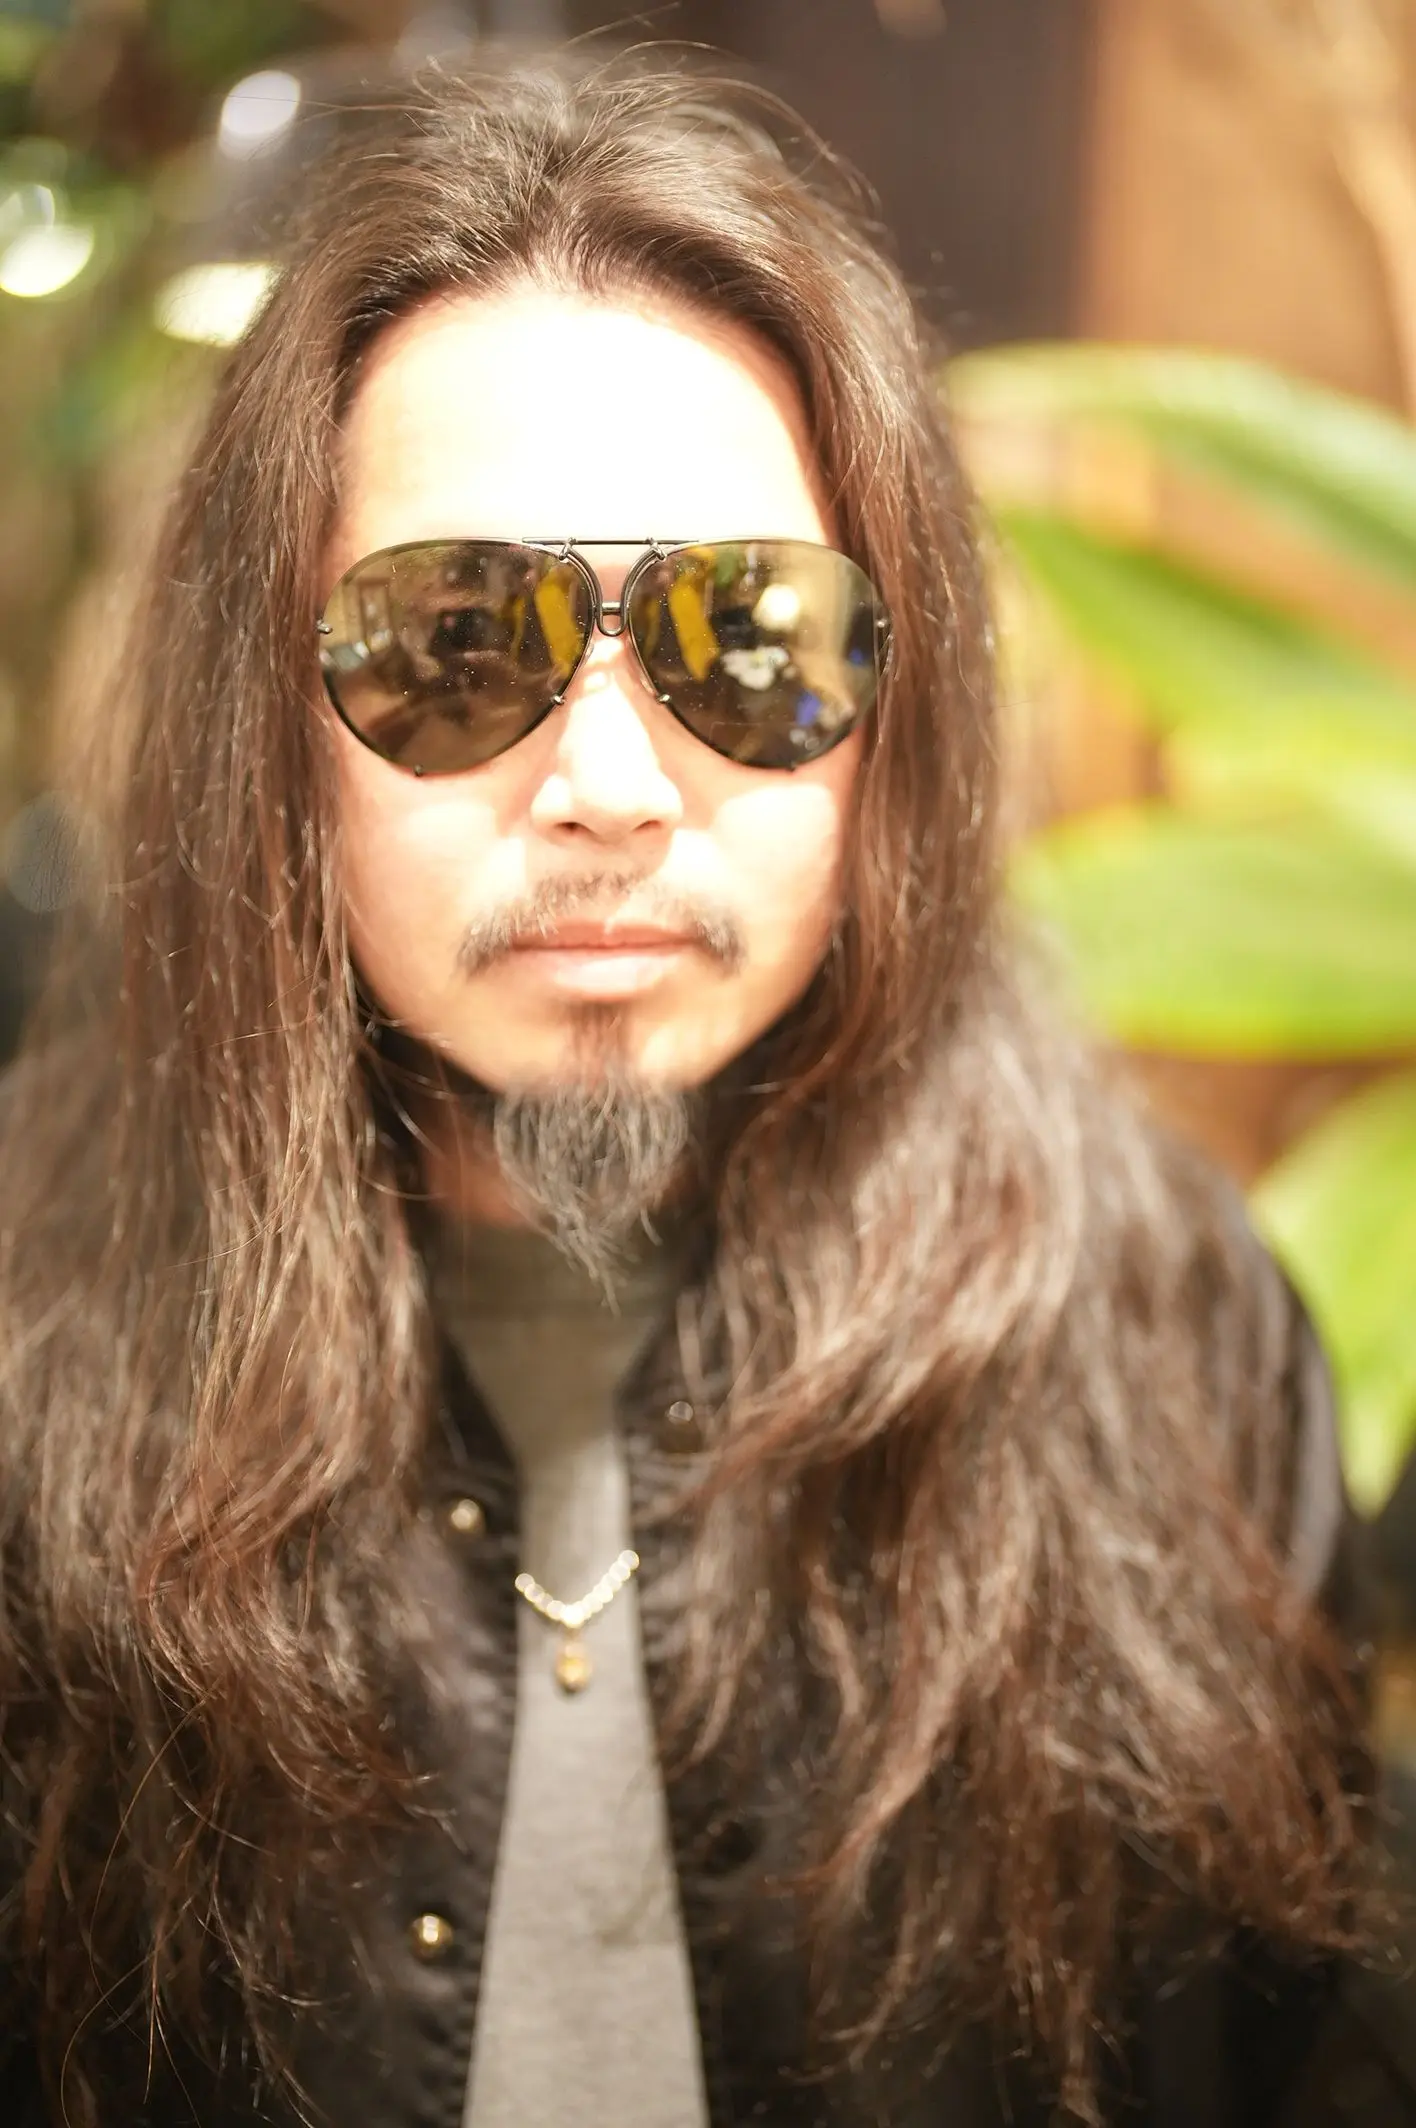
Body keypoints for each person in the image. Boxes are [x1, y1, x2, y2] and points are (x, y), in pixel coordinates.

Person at [0, 51, 1409, 2128]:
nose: (607, 786)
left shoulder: (1174, 1342)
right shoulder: (36, 1350)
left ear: (891, 715)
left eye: (748, 635)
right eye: (451, 640)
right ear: (268, 718)